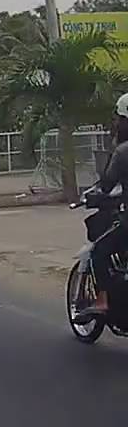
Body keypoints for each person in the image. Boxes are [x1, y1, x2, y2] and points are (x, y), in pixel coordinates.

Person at [78, 93, 128, 319]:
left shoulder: (122, 152)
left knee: (98, 251)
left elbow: (106, 186)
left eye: (118, 118)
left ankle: (103, 301)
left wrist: (94, 197)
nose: (115, 123)